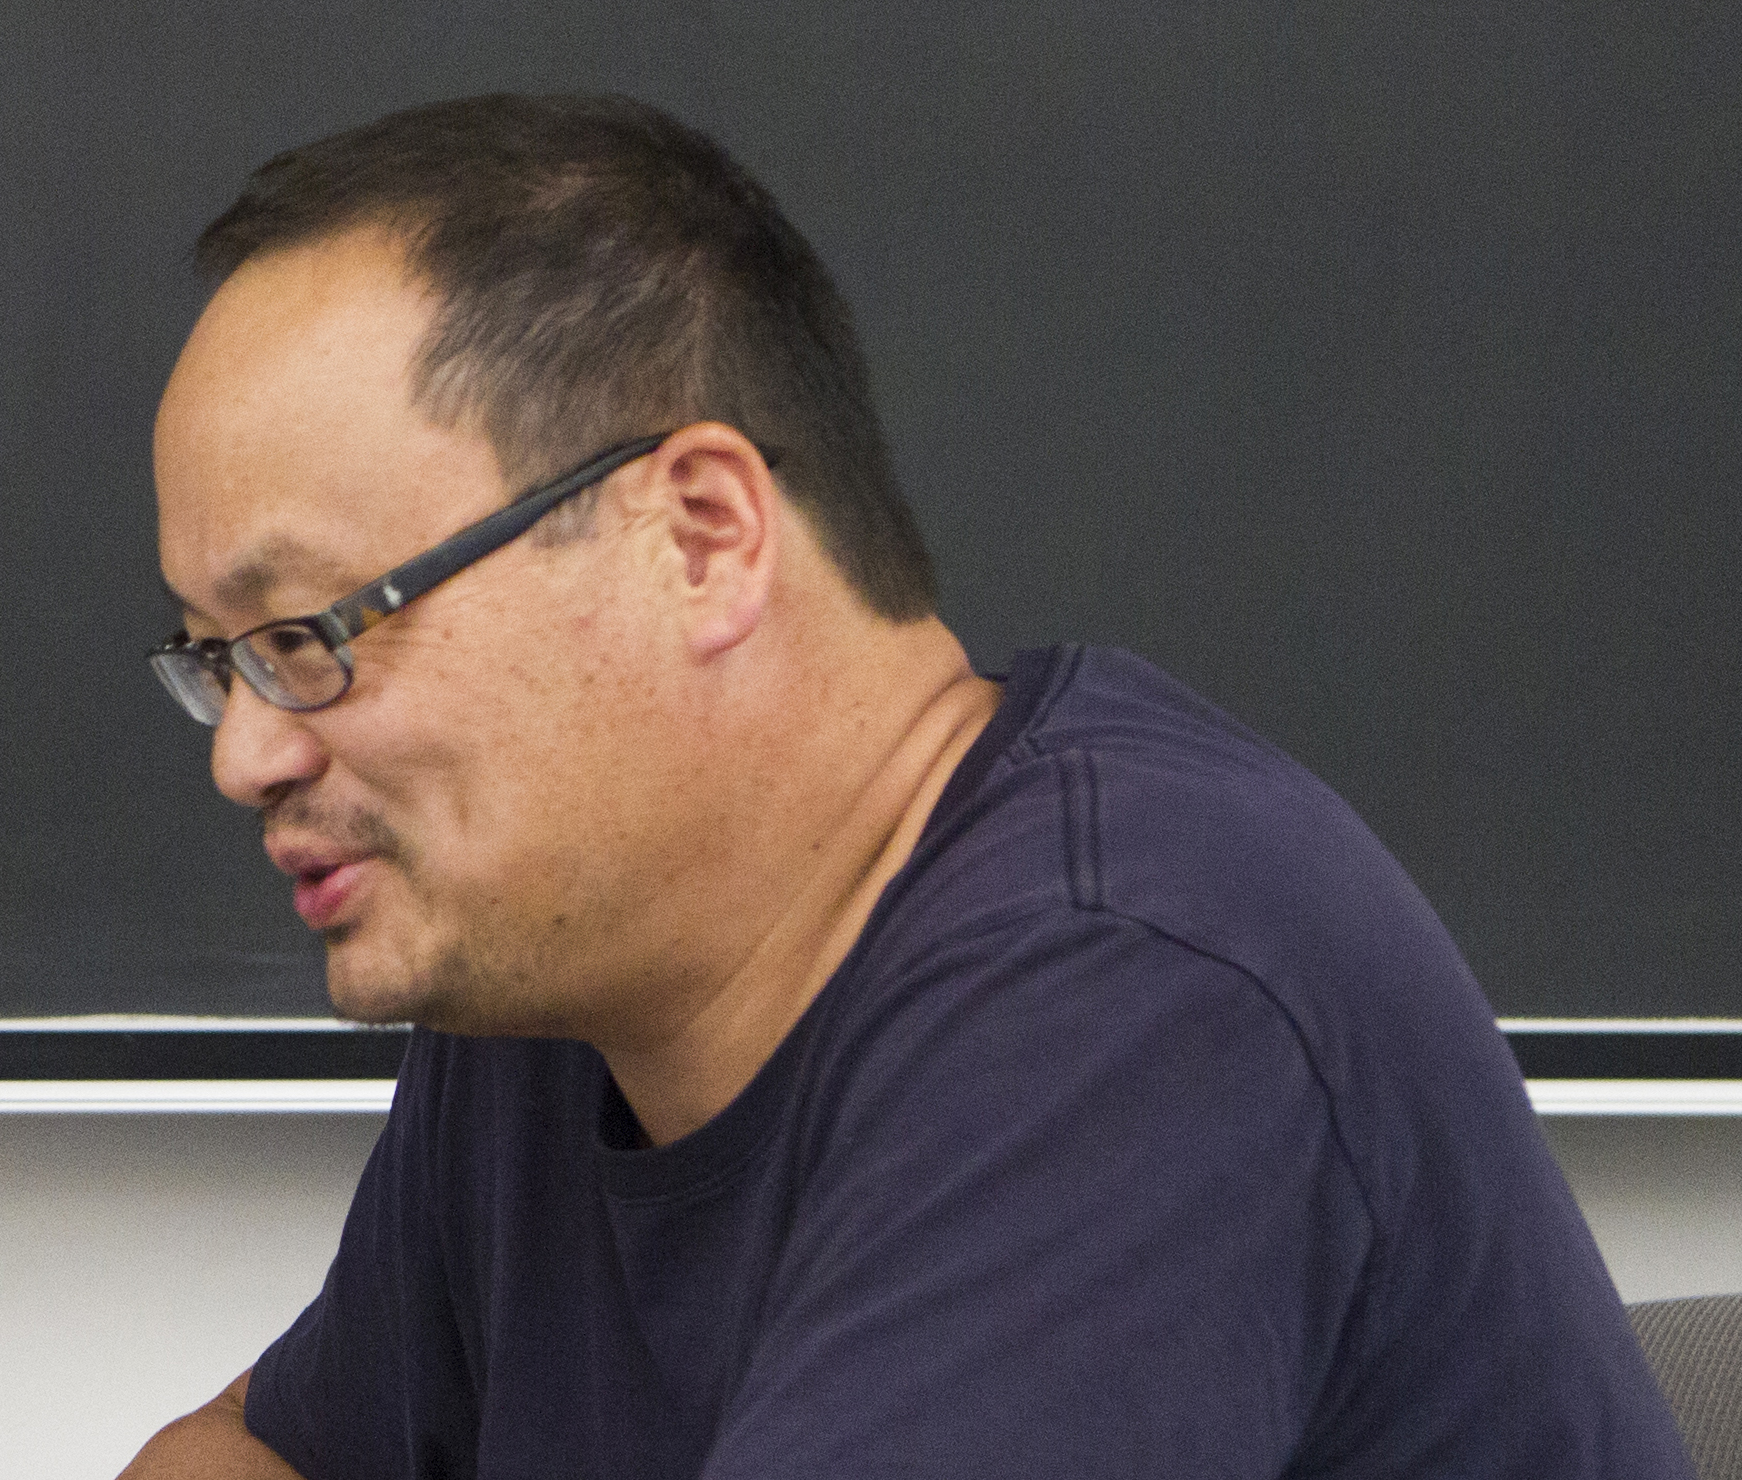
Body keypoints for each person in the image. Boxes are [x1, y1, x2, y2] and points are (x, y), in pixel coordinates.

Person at [117, 94, 1688, 1479]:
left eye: (312, 633)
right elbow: (238, 1453)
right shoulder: (568, 968)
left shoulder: (1128, 988)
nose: (245, 752)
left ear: (704, 536)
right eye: (217, 659)